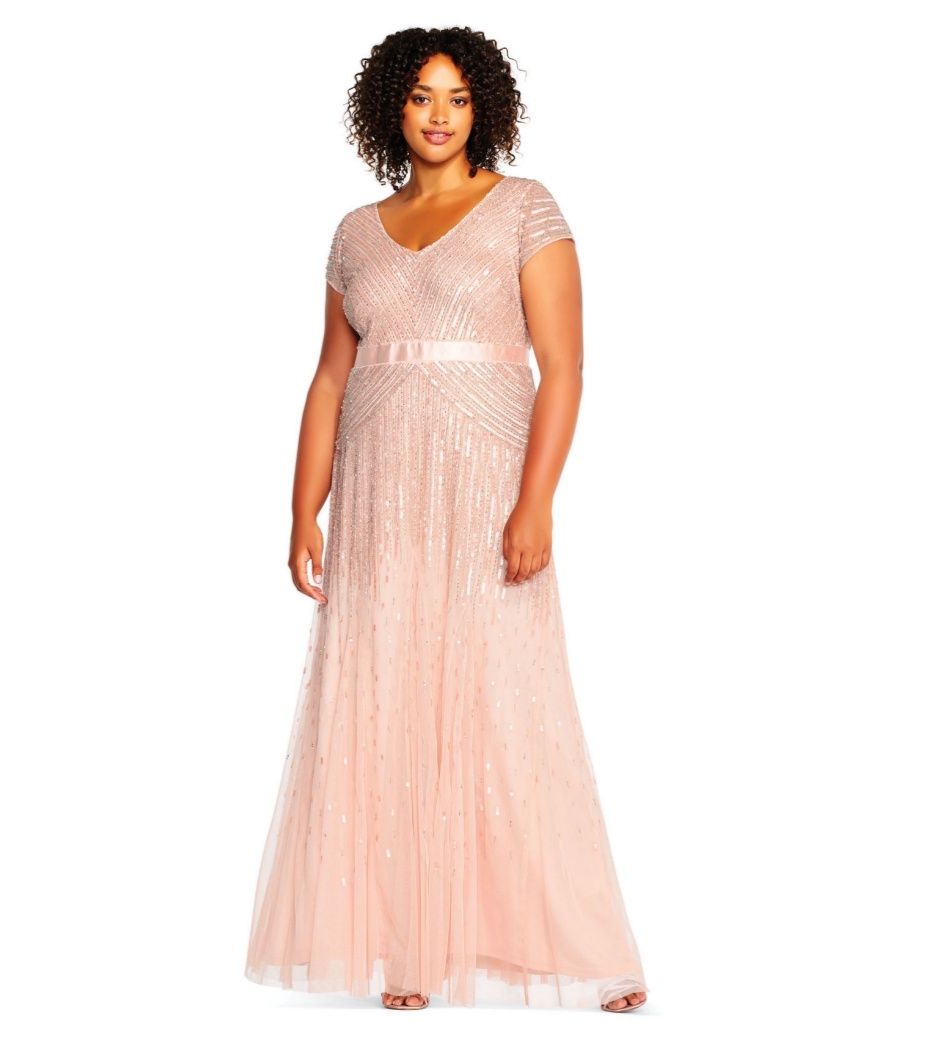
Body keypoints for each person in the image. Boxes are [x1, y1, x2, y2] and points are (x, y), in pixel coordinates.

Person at [244, 25, 649, 1012]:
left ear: (484, 108)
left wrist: (536, 500)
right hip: (378, 494)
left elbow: (565, 367)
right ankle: (407, 955)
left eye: (458, 97)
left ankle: (587, 951)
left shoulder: (524, 208)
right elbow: (330, 375)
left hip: (484, 491)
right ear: (391, 104)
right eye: (422, 95)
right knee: (385, 703)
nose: (438, 115)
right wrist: (302, 508)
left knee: (509, 706)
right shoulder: (354, 230)